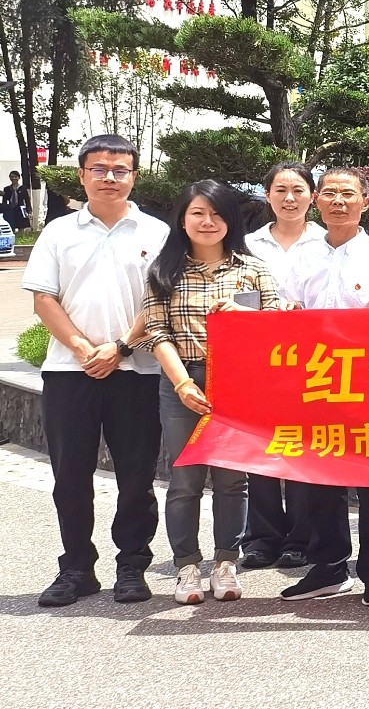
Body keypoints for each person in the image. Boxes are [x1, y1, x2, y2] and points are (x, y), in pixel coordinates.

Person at [26, 136, 168, 609]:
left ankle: (132, 566)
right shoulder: (59, 232)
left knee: (136, 476)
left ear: (134, 176)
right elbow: (44, 298)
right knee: (70, 476)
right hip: (70, 371)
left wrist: (120, 347)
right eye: (100, 169)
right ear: (82, 175)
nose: (110, 177)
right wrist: (83, 348)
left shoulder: (156, 232)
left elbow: (159, 301)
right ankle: (76, 569)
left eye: (120, 170)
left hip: (137, 371)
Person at [143, 180, 283, 605]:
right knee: (184, 480)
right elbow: (157, 333)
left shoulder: (252, 269)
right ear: (182, 219)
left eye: (218, 214)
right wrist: (182, 383)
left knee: (232, 479)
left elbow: (277, 325)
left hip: (239, 383)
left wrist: (245, 314)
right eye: (198, 213)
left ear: (231, 221)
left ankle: (226, 562)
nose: (208, 222)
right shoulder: (164, 272)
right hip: (182, 380)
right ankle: (187, 566)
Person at [282, 167, 369, 606]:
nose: (338, 201)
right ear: (316, 200)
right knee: (319, 476)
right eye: (329, 193)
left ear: (365, 202)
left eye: (347, 194)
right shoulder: (302, 255)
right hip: (315, 379)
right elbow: (287, 308)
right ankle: (328, 566)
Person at [240, 161, 327, 568]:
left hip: (313, 362)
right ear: (267, 195)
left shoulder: (327, 242)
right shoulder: (247, 244)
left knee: (303, 446)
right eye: (280, 190)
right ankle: (261, 537)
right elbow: (237, 295)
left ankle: (301, 537)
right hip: (259, 360)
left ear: (312, 195)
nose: (289, 198)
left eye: (298, 190)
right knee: (260, 446)